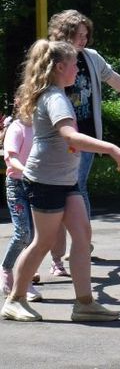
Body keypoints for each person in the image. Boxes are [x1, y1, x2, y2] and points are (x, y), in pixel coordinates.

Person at [1, 40, 120, 323]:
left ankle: (84, 303)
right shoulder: (54, 97)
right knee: (44, 240)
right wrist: (111, 148)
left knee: (82, 236)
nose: (77, 69)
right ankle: (15, 300)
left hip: (65, 179)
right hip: (45, 180)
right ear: (61, 67)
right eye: (74, 64)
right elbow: (70, 136)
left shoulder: (57, 92)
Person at [48, 10, 120, 274]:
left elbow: (113, 78)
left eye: (85, 36)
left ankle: (79, 246)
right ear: (64, 33)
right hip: (60, 137)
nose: (83, 41)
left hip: (88, 136)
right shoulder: (52, 56)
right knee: (66, 191)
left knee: (76, 187)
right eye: (78, 35)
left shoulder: (91, 58)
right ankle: (64, 251)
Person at [2, 107, 42, 302]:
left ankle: (25, 280)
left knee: (35, 237)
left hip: (36, 185)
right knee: (23, 232)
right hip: (17, 185)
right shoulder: (16, 128)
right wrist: (26, 170)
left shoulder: (42, 128)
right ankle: (6, 269)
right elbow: (11, 157)